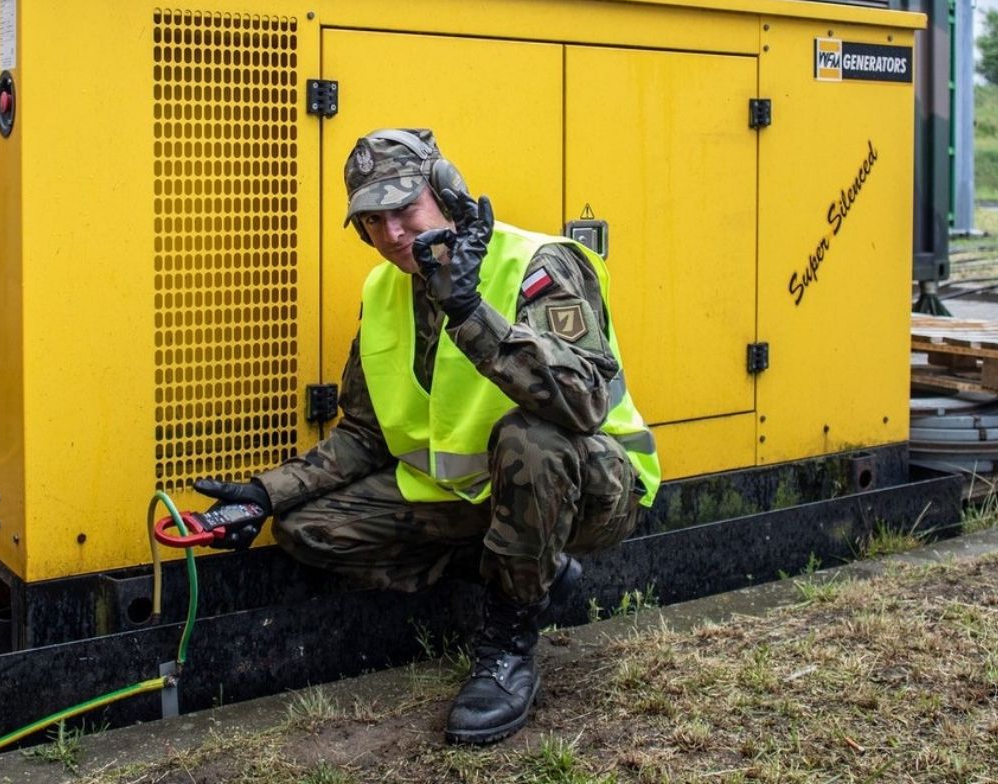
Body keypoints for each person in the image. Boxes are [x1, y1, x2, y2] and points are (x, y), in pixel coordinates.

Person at [192, 128, 659, 745]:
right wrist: (264, 494)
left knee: (533, 438)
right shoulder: (384, 291)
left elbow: (582, 401)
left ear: (447, 193)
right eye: (371, 220)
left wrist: (470, 314)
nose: (391, 234)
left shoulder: (539, 263)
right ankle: (522, 565)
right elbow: (364, 433)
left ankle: (507, 646)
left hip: (592, 489)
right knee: (306, 529)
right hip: (471, 501)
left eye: (404, 209)